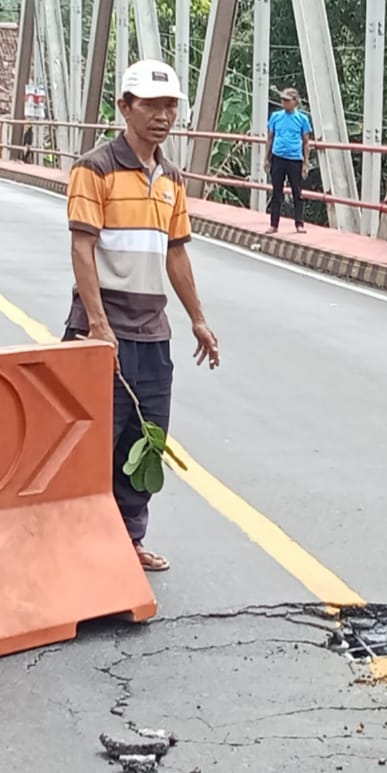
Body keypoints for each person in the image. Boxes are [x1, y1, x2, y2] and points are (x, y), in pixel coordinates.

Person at [63, 59, 220, 572]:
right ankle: (80, 546)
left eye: (170, 105)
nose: (162, 115)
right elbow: (82, 247)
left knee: (145, 440)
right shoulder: (95, 168)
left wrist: (197, 317)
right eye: (150, 105)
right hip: (102, 329)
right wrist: (97, 326)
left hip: (152, 332)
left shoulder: (171, 178)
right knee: (90, 445)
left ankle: (126, 543)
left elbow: (176, 253)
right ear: (124, 107)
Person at [264, 87, 313, 234]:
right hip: (278, 157)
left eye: (287, 100)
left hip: (294, 159)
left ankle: (299, 224)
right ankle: (274, 224)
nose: (283, 103)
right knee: (276, 192)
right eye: (282, 100)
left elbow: (306, 142)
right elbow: (270, 138)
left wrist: (305, 163)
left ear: (295, 102)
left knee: (297, 193)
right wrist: (267, 159)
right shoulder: (276, 117)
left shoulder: (302, 119)